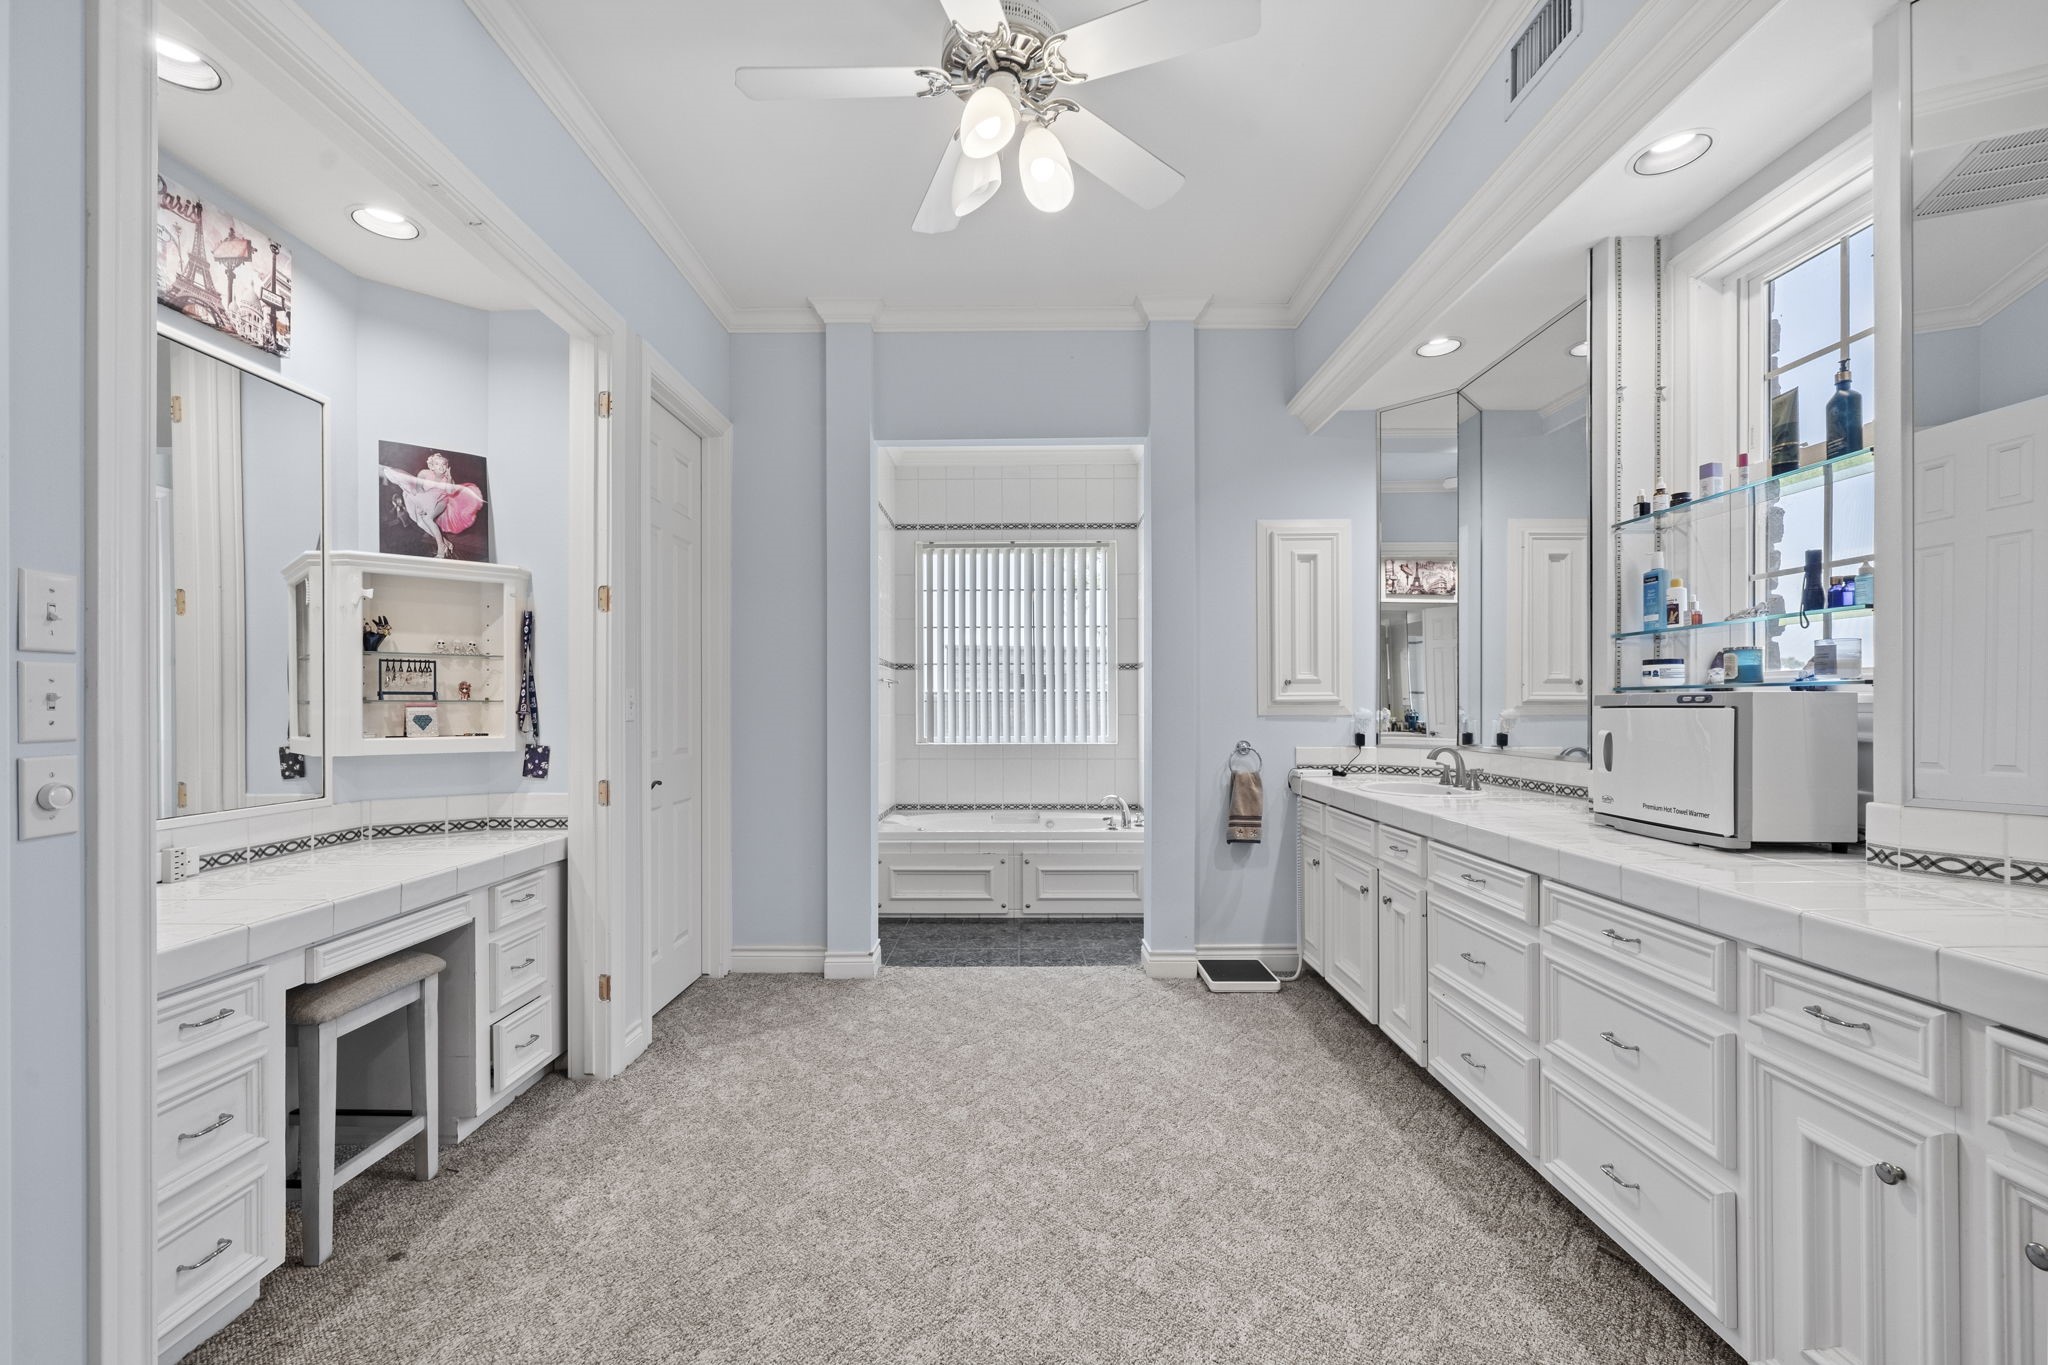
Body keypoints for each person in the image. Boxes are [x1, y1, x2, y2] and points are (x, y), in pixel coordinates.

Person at [380, 452, 485, 558]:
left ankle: (441, 548)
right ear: (432, 467)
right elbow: (417, 490)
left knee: (428, 519)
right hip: (426, 499)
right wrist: (420, 506)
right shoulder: (425, 473)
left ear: (447, 466)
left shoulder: (447, 479)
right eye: (438, 464)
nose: (441, 467)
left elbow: (450, 492)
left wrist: (449, 480)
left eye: (444, 464)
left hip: (442, 501)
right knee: (420, 522)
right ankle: (446, 543)